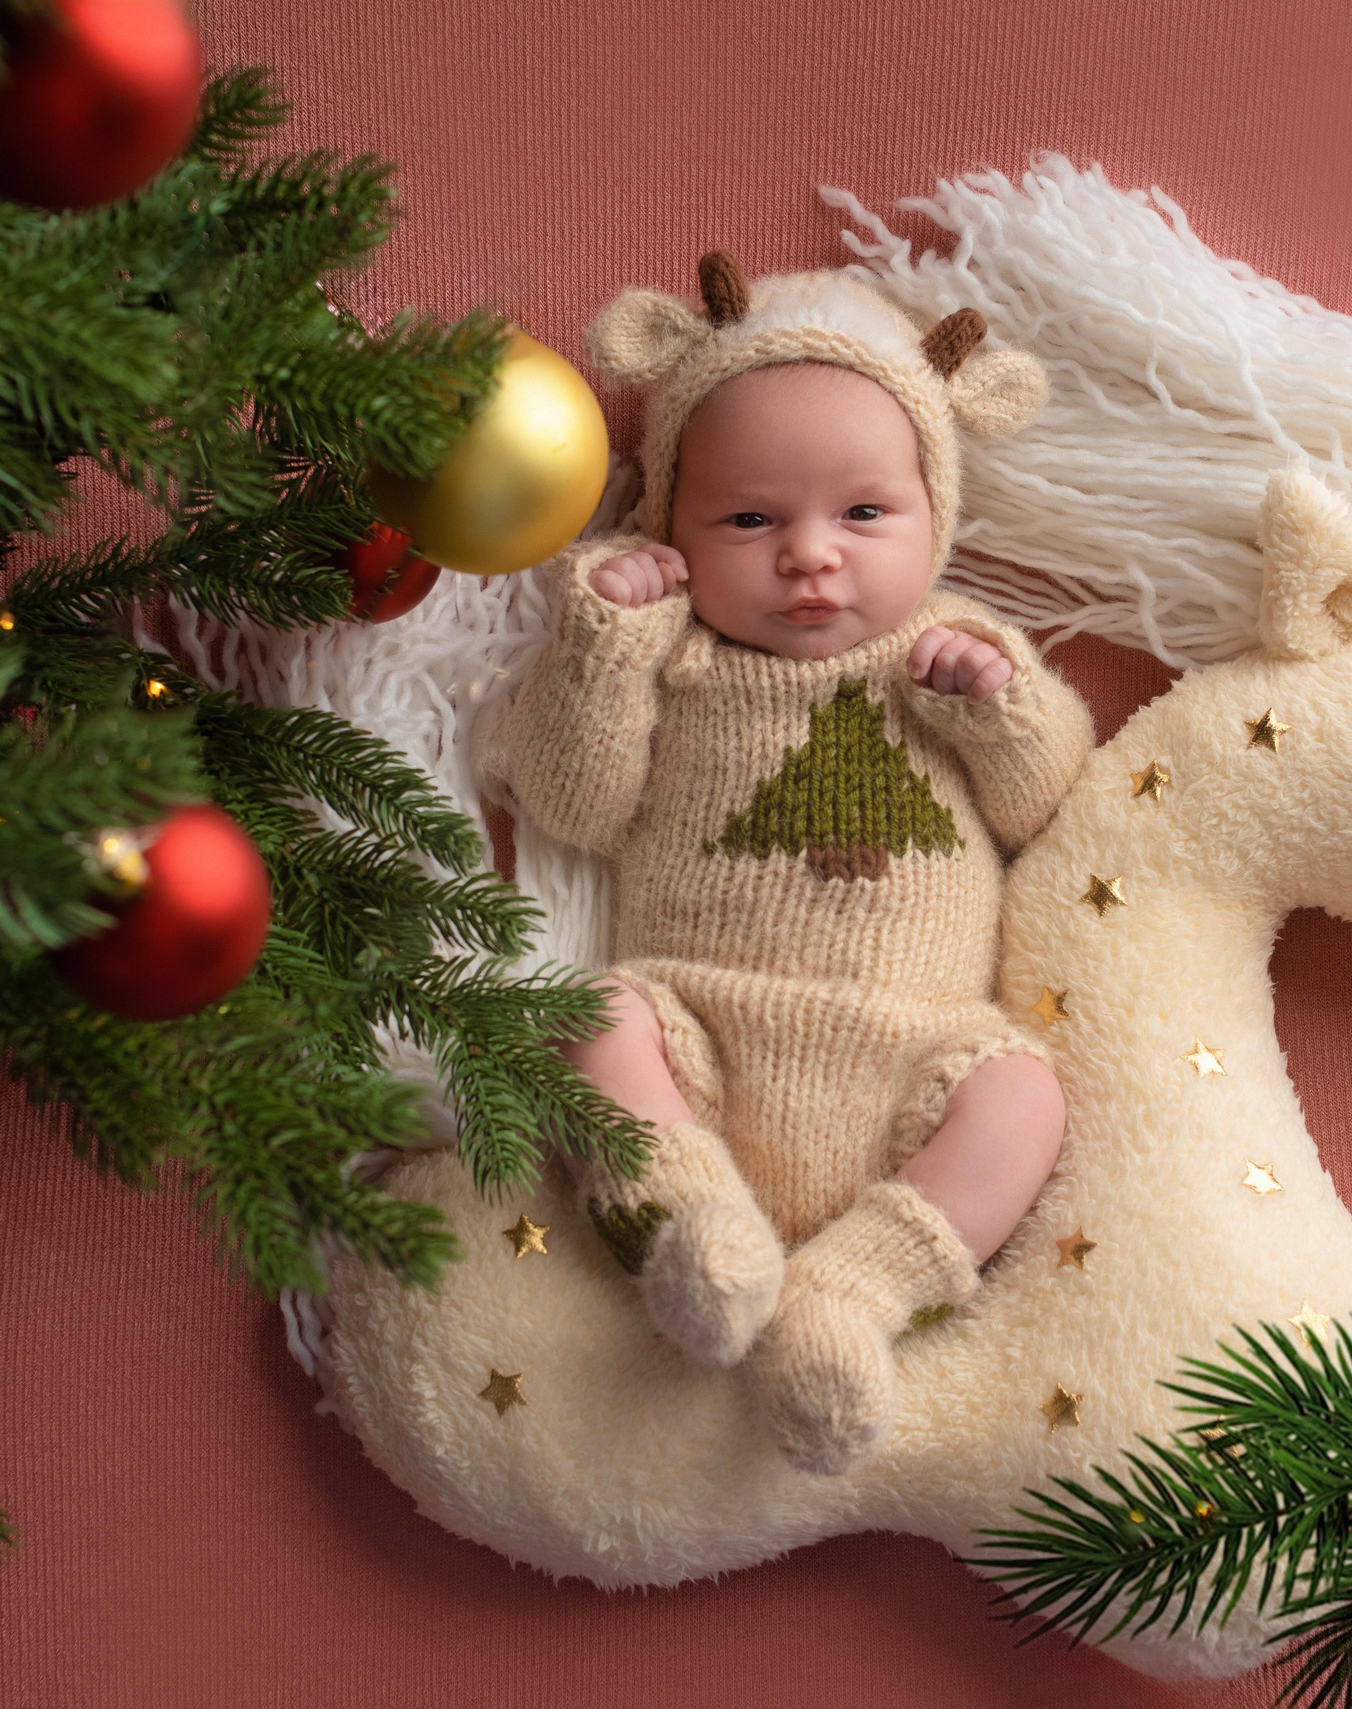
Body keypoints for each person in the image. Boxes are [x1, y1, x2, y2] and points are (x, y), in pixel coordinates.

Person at [499, 253, 1094, 1474]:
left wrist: (1003, 709)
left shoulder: (953, 650)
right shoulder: (674, 657)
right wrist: (605, 645)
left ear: (937, 518)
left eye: (863, 514)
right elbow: (572, 804)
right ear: (671, 524)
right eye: (751, 518)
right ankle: (690, 1222)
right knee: (594, 1015)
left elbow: (1045, 803)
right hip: (704, 1027)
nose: (810, 555)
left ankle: (850, 1298)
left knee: (1024, 1094)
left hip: (913, 1057)